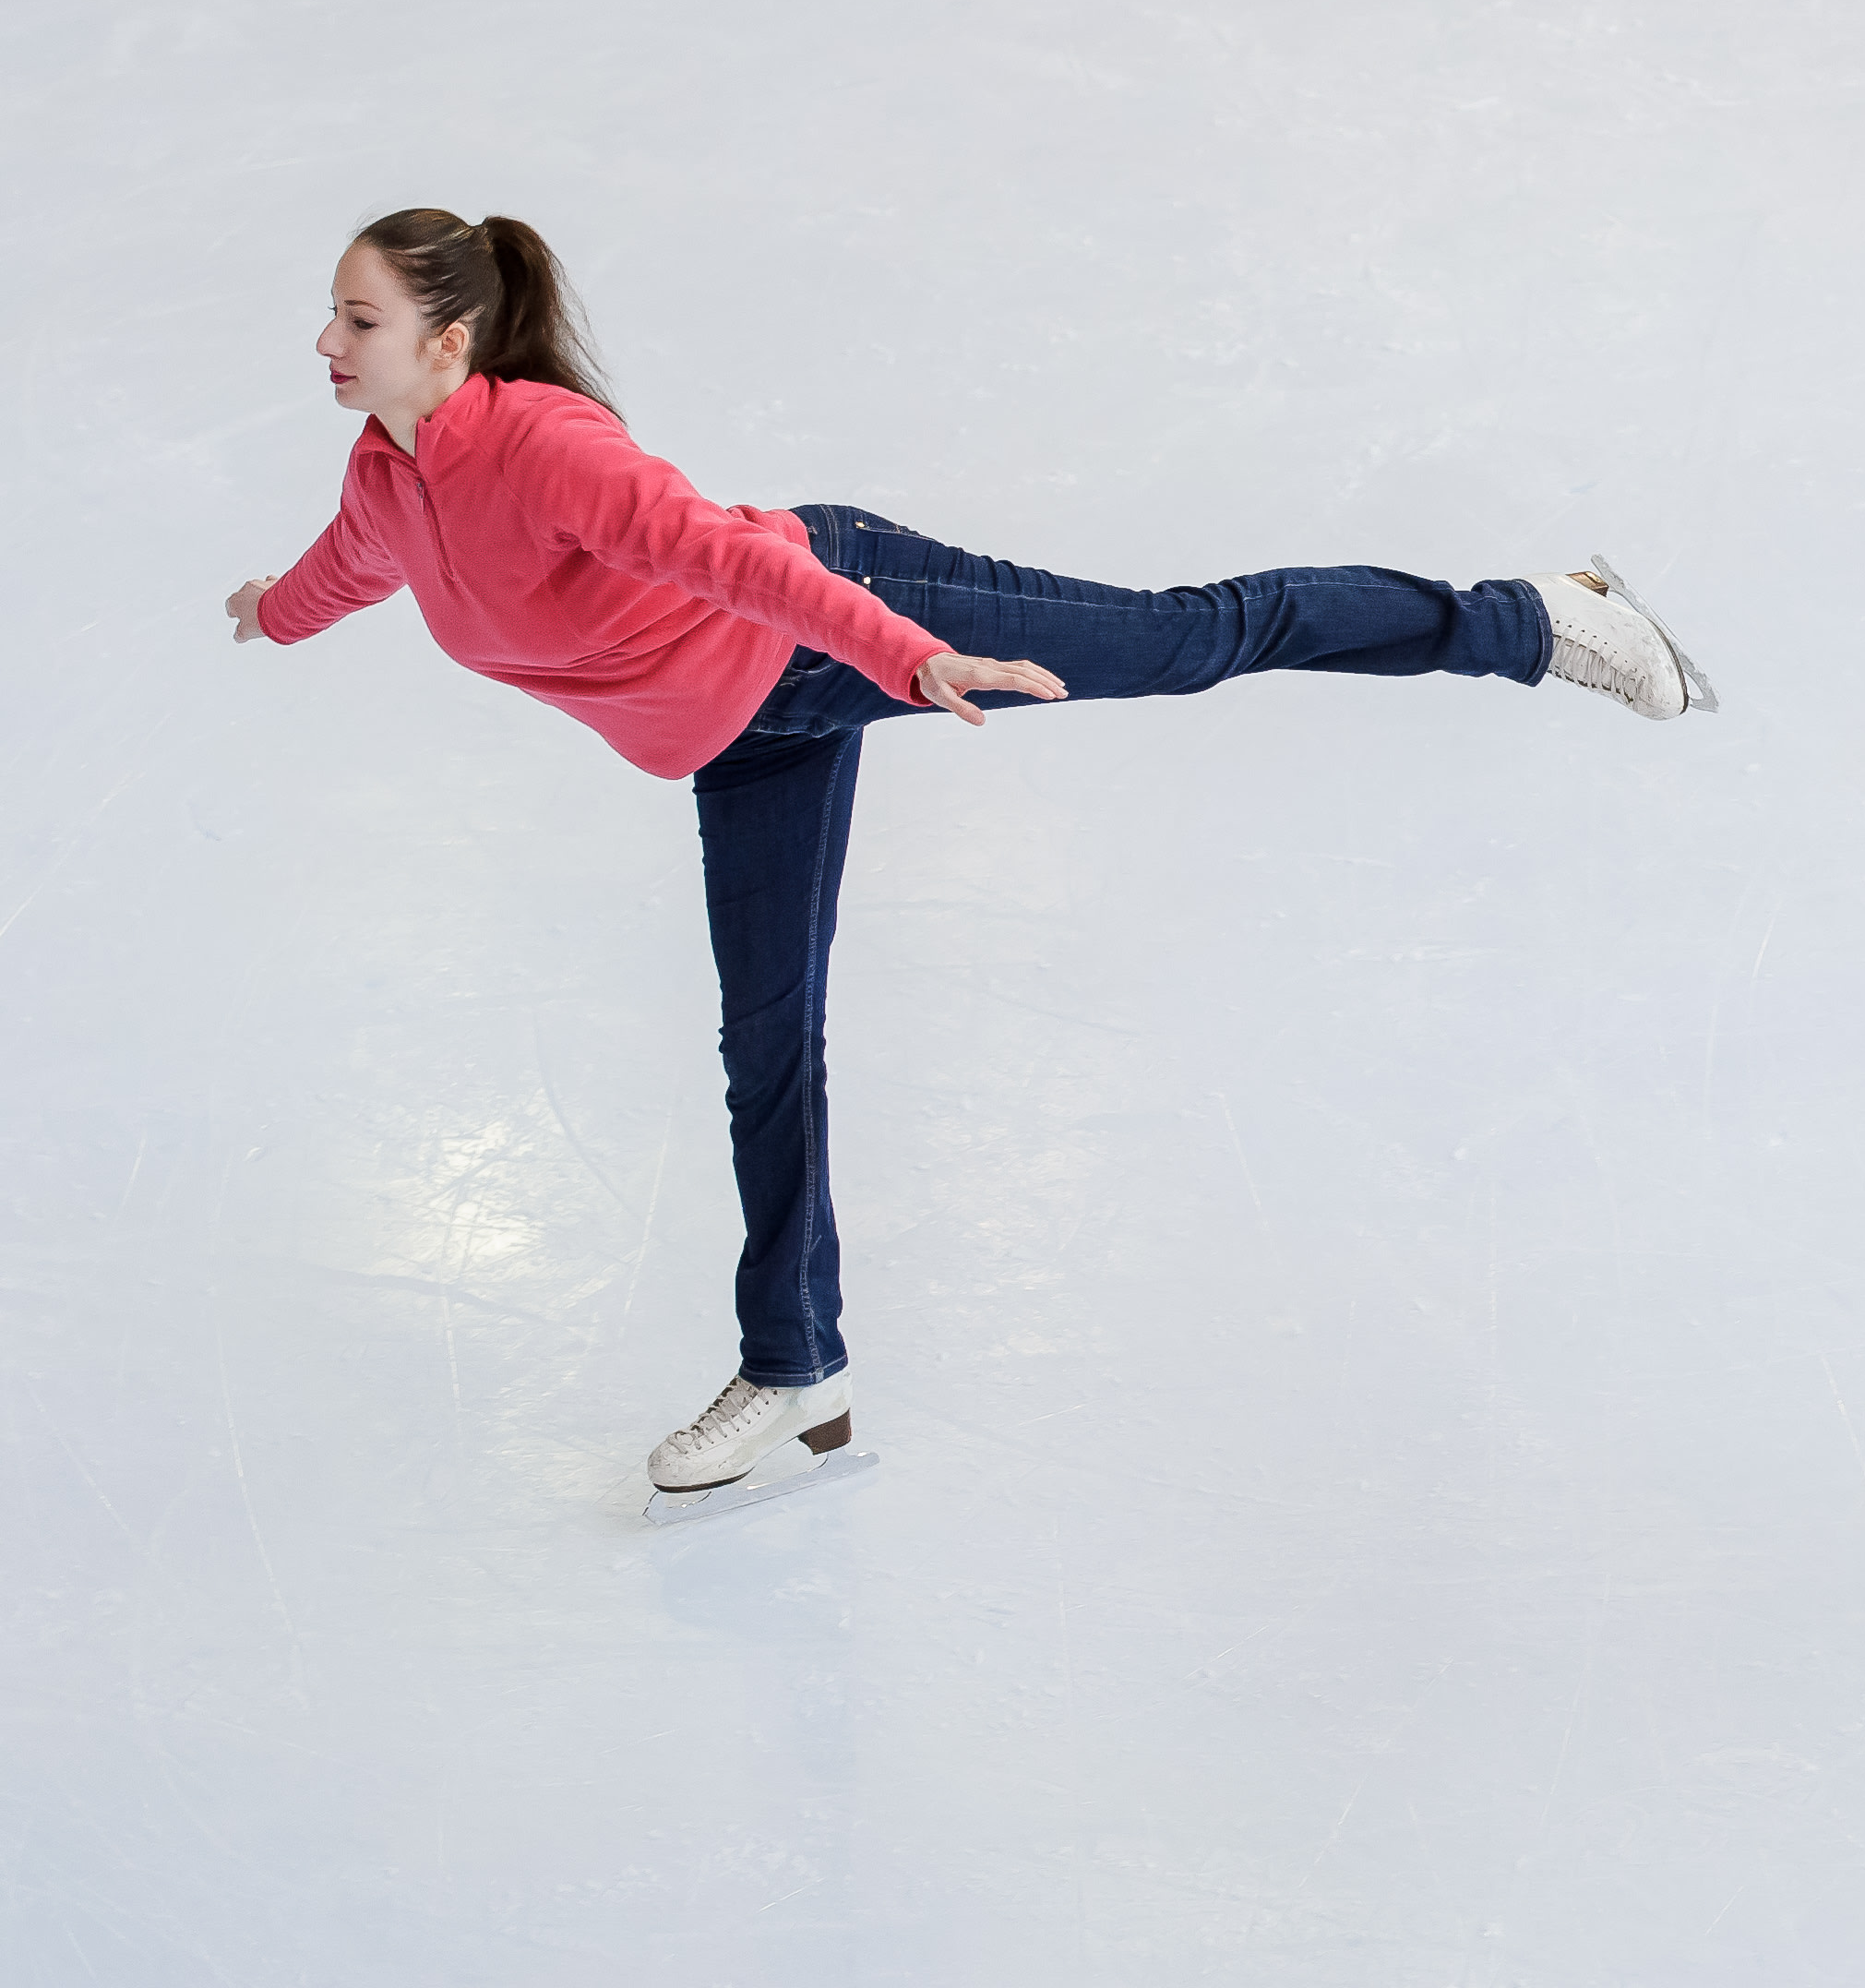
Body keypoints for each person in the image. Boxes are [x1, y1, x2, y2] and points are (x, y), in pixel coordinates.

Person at [228, 209, 1716, 1507]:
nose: (327, 343)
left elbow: (742, 562)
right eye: (335, 316)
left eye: (359, 320)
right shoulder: (387, 478)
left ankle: (1536, 616)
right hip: (749, 737)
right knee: (764, 1047)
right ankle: (794, 1365)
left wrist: (909, 654)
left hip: (843, 608)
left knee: (1187, 640)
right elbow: (352, 568)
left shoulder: (549, 450)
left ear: (451, 341)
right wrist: (269, 613)